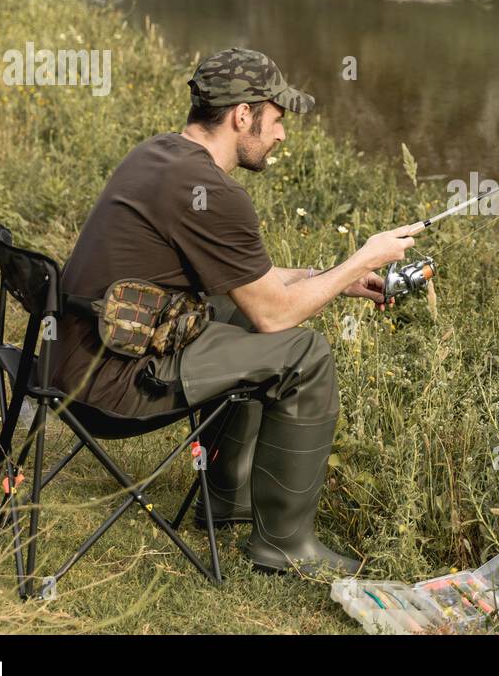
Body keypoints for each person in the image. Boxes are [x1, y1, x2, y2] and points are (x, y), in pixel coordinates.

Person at [49, 47, 421, 576]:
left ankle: (224, 500)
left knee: (238, 315)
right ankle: (284, 544)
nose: (282, 135)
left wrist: (336, 277)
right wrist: (366, 254)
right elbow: (276, 315)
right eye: (277, 119)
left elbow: (254, 291)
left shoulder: (156, 156)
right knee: (304, 353)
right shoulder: (214, 193)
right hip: (113, 388)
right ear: (242, 115)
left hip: (69, 365)